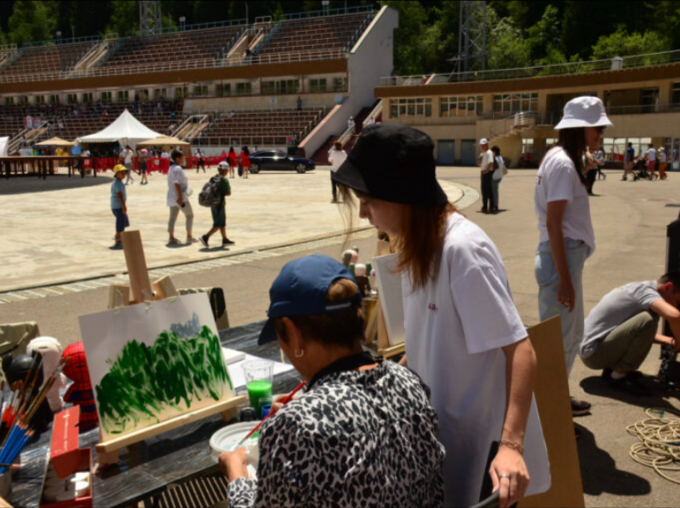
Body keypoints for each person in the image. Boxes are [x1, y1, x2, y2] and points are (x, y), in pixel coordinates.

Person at [333, 124, 550, 508]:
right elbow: (430, 343)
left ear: (401, 195)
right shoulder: (417, 247)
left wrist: (511, 446)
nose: (364, 213)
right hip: (441, 434)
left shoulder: (462, 250)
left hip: (484, 449)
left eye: (368, 200)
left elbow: (520, 351)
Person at [219, 255, 445, 508]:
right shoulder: (409, 382)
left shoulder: (295, 427)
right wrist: (302, 410)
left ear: (293, 333)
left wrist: (236, 473)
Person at [534, 96, 613, 428]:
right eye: (597, 128)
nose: (601, 134)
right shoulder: (564, 165)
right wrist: (565, 279)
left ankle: (555, 401)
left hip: (562, 257)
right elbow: (554, 223)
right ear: (580, 128)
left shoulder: (559, 157)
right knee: (560, 342)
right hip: (561, 258)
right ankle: (549, 415)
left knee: (568, 336)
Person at [579, 273, 680, 397]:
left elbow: (634, 333)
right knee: (649, 319)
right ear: (668, 287)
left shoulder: (639, 288)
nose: (675, 305)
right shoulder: (646, 293)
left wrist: (670, 341)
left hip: (593, 348)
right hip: (594, 354)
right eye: (677, 301)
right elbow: (675, 316)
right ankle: (618, 377)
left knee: (647, 320)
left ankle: (612, 370)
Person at [200, 161, 234, 248]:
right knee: (218, 224)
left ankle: (224, 239)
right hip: (220, 204)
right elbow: (228, 193)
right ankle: (205, 237)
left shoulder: (213, 178)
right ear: (225, 170)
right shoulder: (224, 180)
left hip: (212, 203)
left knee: (221, 222)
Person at [166, 149, 196, 246]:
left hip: (171, 196)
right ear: (177, 158)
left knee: (172, 217)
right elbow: (177, 183)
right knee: (189, 215)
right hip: (179, 196)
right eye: (182, 157)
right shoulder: (178, 169)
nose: (184, 159)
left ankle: (171, 237)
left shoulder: (171, 168)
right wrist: (180, 197)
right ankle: (189, 236)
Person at [110, 165, 129, 249]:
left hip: (116, 206)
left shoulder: (117, 182)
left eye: (124, 173)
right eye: (121, 173)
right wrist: (124, 206)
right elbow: (119, 196)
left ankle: (119, 237)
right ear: (116, 174)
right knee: (120, 225)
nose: (123, 175)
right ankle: (118, 241)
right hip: (118, 207)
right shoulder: (118, 183)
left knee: (124, 222)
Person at [479, 138, 495, 213]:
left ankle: (486, 207)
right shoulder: (485, 153)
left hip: (487, 173)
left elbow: (491, 162)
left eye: (483, 145)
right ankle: (490, 207)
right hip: (485, 172)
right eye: (481, 145)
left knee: (485, 191)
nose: (482, 147)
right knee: (487, 190)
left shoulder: (489, 152)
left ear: (486, 145)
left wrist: (486, 171)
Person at [491, 145, 506, 212]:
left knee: (494, 191)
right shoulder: (500, 158)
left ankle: (495, 205)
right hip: (499, 176)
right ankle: (495, 204)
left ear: (494, 152)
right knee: (495, 190)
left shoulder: (495, 159)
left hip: (494, 177)